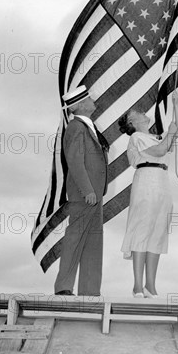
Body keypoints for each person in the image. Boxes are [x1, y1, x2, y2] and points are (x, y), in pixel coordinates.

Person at [118, 91, 178, 298]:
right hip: (146, 179)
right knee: (142, 229)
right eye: (135, 113)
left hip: (162, 181)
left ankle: (150, 286)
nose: (141, 112)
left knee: (157, 231)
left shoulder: (154, 136)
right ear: (131, 122)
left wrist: (176, 105)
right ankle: (137, 285)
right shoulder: (137, 137)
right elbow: (159, 151)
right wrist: (171, 134)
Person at [54, 85, 109, 296]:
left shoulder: (87, 126)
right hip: (86, 194)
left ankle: (90, 291)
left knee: (93, 243)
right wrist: (87, 189)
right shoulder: (77, 127)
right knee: (75, 238)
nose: (92, 100)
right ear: (79, 106)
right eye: (87, 98)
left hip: (94, 195)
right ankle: (63, 287)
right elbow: (75, 161)